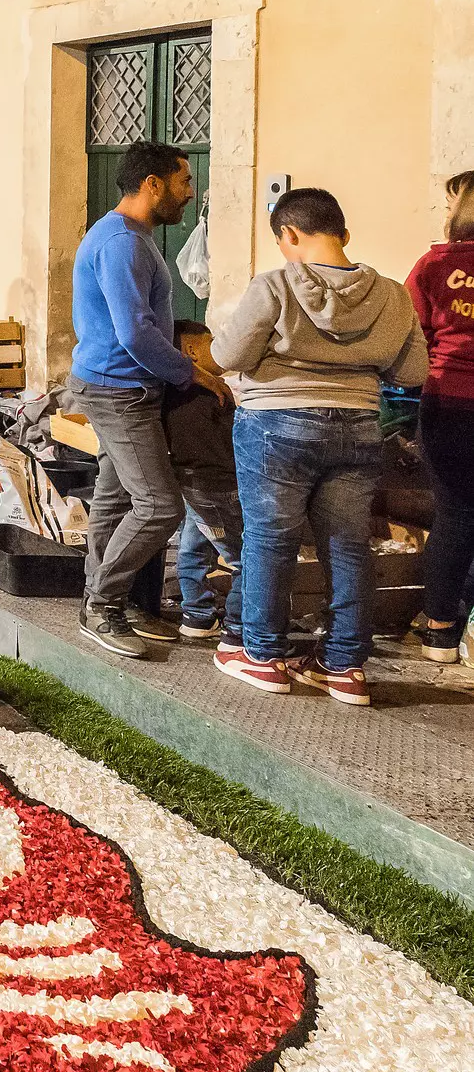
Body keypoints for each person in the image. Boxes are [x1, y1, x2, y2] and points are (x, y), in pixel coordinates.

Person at [211, 188, 427, 706]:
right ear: (344, 235)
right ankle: (345, 667)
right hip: (357, 426)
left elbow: (226, 354)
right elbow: (413, 371)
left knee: (270, 538)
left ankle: (262, 656)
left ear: (289, 235)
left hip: (276, 423)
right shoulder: (394, 295)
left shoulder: (274, 286)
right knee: (347, 544)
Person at [67, 142, 226, 658]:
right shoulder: (122, 243)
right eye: (183, 182)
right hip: (118, 389)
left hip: (124, 388)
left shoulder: (134, 238)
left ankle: (109, 600)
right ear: (152, 184)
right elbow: (135, 333)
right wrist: (192, 375)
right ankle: (102, 605)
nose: (190, 192)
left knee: (114, 502)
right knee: (160, 506)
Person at [407, 175, 474, 662]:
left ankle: (440, 631)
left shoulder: (435, 264)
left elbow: (411, 335)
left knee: (453, 513)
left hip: (448, 400)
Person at [164, 321, 243, 644]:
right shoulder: (211, 394)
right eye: (213, 341)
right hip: (218, 486)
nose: (221, 347)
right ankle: (240, 628)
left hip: (192, 484)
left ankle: (197, 616)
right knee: (245, 558)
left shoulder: (170, 392)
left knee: (194, 547)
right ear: (192, 351)